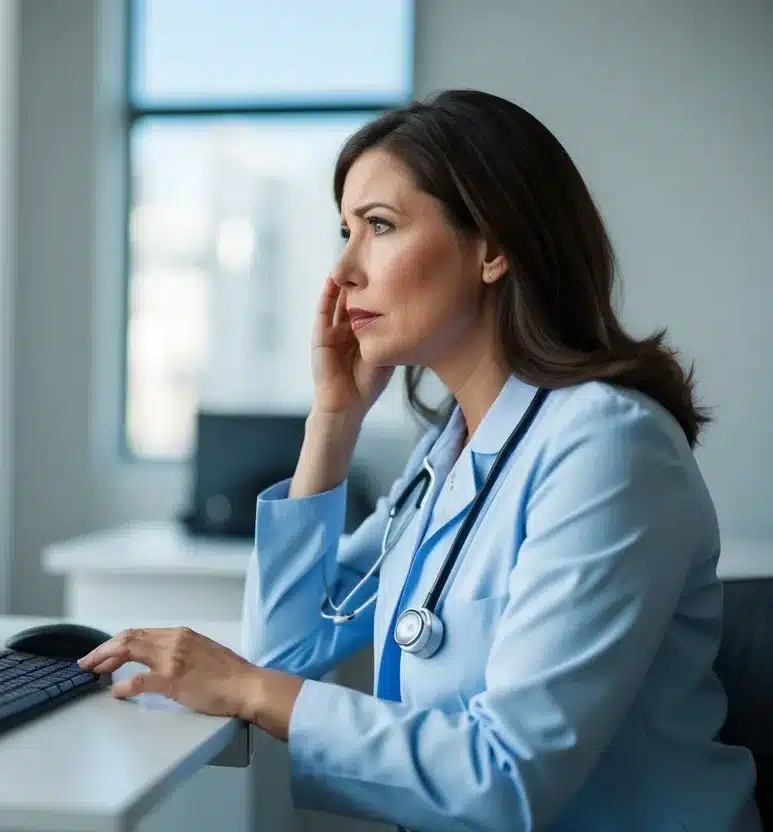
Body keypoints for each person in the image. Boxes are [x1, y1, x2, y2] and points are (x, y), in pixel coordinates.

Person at [78, 89, 762, 830]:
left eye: (378, 226)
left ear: (492, 247)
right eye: (344, 231)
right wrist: (332, 422)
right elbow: (287, 651)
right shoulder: (448, 450)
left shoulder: (608, 446)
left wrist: (245, 689)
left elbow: (507, 777)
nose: (343, 269)